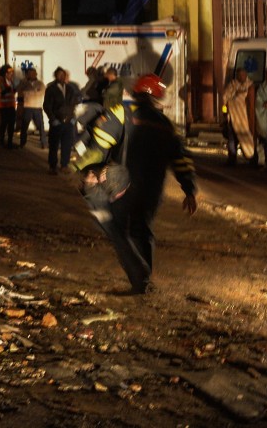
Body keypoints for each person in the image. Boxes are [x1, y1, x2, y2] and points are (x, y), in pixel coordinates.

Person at [72, 74, 198, 295]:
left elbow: (99, 144)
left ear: (137, 94)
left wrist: (86, 169)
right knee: (142, 231)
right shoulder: (166, 125)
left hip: (124, 185)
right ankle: (144, 280)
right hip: (153, 190)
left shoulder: (123, 113)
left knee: (117, 229)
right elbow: (181, 159)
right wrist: (189, 189)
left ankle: (139, 278)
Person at [43, 67, 81, 173]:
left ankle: (64, 165)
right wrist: (52, 119)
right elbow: (47, 106)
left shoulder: (70, 88)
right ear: (55, 76)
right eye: (59, 74)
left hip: (68, 122)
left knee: (66, 145)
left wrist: (73, 117)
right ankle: (52, 166)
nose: (62, 76)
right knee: (54, 145)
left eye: (63, 75)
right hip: (57, 122)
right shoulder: (51, 89)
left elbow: (73, 104)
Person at [222, 68, 257, 167]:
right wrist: (224, 113)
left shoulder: (250, 85)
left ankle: (251, 159)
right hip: (232, 117)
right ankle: (232, 159)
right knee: (232, 139)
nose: (241, 77)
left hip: (245, 117)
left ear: (246, 75)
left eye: (243, 75)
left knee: (248, 137)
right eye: (239, 75)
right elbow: (224, 99)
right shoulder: (232, 85)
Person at [17, 67, 46, 149]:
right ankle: (22, 143)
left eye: (33, 73)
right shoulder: (24, 83)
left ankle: (43, 143)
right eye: (30, 73)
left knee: (41, 126)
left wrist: (29, 93)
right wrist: (32, 91)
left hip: (37, 107)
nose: (32, 75)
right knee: (24, 126)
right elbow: (19, 91)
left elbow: (42, 92)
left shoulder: (40, 83)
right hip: (27, 107)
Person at [0, 64, 17, 148]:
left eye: (12, 72)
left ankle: (9, 142)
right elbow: (3, 92)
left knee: (11, 124)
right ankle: (2, 140)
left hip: (11, 106)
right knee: (4, 123)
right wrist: (10, 89)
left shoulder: (11, 81)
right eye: (9, 72)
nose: (11, 74)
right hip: (3, 106)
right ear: (5, 73)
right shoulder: (0, 81)